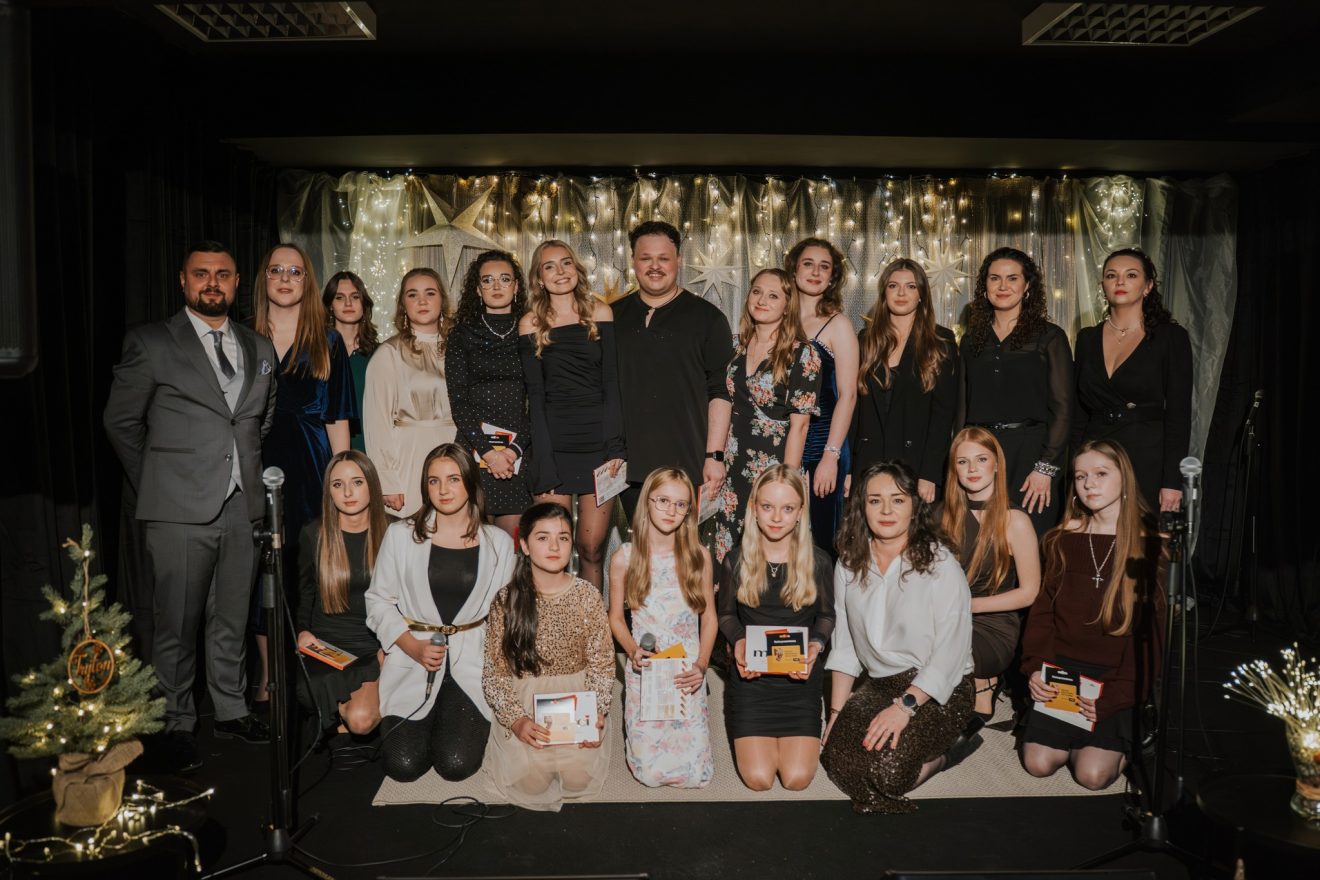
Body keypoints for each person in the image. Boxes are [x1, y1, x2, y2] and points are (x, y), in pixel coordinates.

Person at [103, 240, 275, 772]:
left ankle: (231, 709)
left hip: (242, 505)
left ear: (237, 282)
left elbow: (259, 421)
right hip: (176, 508)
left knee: (232, 615)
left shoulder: (259, 347)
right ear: (183, 280)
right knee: (176, 622)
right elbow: (120, 422)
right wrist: (159, 481)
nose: (212, 283)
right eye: (201, 273)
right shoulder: (152, 341)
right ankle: (176, 721)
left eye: (222, 274)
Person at [821, 461, 975, 814]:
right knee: (836, 759)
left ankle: (951, 751)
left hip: (938, 688)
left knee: (888, 774)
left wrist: (904, 708)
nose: (887, 510)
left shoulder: (941, 564)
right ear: (862, 507)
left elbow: (951, 652)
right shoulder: (849, 561)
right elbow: (845, 645)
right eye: (875, 501)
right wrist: (836, 713)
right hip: (880, 683)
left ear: (914, 507)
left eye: (898, 499)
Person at [365, 443, 516, 782]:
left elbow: (505, 615)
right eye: (434, 481)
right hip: (413, 657)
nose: (443, 489)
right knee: (403, 765)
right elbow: (377, 600)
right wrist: (408, 645)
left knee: (455, 764)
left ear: (470, 483)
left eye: (453, 479)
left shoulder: (499, 543)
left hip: (473, 660)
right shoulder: (401, 535)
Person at [1020, 440, 1165, 791]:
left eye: (1101, 474)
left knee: (1092, 775)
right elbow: (1042, 615)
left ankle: (1130, 737)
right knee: (1038, 764)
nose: (1089, 484)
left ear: (1124, 479)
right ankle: (1075, 739)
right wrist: (1036, 667)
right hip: (1064, 674)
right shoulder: (1062, 539)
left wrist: (1115, 697)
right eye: (1081, 476)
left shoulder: (1151, 544)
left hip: (1116, 678)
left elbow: (1151, 639)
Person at [253, 242, 357, 706]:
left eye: (295, 271)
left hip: (313, 469)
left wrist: (344, 482)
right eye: (276, 270)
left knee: (310, 573)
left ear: (307, 281)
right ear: (264, 279)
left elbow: (337, 419)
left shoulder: (328, 341)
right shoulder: (243, 336)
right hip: (255, 467)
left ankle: (314, 680)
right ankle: (268, 680)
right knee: (261, 573)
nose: (285, 278)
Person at [481, 502, 615, 811]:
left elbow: (603, 663)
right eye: (543, 538)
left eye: (563, 538)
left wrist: (596, 712)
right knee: (531, 783)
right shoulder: (506, 600)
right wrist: (516, 720)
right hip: (527, 700)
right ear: (525, 546)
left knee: (578, 780)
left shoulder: (587, 595)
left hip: (576, 699)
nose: (554, 546)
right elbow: (494, 672)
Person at [718, 465, 834, 791]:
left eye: (788, 508)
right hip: (752, 681)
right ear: (754, 508)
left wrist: (815, 645)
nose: (777, 517)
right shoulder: (735, 560)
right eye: (768, 506)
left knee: (797, 779)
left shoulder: (819, 561)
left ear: (800, 513)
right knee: (759, 779)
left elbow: (827, 616)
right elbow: (726, 614)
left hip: (800, 681)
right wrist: (739, 641)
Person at [518, 239, 624, 589]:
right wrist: (542, 458)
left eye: (566, 263)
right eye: (549, 266)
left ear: (576, 270)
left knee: (591, 548)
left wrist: (616, 448)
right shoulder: (531, 323)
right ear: (539, 277)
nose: (560, 272)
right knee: (550, 551)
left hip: (598, 445)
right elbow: (534, 396)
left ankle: (592, 621)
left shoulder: (601, 313)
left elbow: (612, 385)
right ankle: (550, 621)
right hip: (554, 445)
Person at [613, 221, 733, 523]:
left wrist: (714, 456)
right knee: (641, 548)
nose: (655, 266)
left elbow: (720, 392)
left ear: (678, 260)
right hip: (628, 467)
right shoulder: (612, 316)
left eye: (663, 258)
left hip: (688, 463)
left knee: (683, 550)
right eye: (646, 258)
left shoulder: (708, 319)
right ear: (633, 261)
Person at [607, 467, 716, 788]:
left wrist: (702, 664)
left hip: (687, 669)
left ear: (689, 511)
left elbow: (709, 618)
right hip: (647, 668)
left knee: (697, 775)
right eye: (663, 501)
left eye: (681, 504)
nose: (671, 511)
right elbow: (615, 617)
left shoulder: (699, 557)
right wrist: (632, 651)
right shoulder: (625, 557)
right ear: (647, 502)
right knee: (650, 775)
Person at [960, 247, 1072, 537]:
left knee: (1030, 539)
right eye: (995, 278)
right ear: (984, 286)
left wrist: (1046, 467)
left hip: (1031, 453)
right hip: (982, 453)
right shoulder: (971, 340)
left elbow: (1063, 408)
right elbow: (962, 406)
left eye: (1012, 278)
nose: (1003, 286)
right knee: (981, 542)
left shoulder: (1050, 337)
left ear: (1027, 286)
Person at [1071, 248, 1193, 513]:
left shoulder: (1170, 337)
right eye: (1111, 275)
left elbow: (1179, 415)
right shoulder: (1086, 339)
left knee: (1138, 536)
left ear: (1148, 286)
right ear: (1103, 286)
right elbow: (1078, 413)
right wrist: (1074, 467)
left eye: (1131, 275)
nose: (1120, 281)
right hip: (1095, 458)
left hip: (1145, 456)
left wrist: (1172, 481)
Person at [714, 269, 822, 562]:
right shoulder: (735, 347)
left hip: (775, 464)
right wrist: (716, 458)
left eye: (773, 295)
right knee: (732, 551)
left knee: (773, 552)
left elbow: (800, 427)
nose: (762, 300)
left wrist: (786, 482)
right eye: (757, 292)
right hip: (734, 465)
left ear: (787, 306)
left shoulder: (802, 354)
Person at [940, 427, 1041, 722]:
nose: (972, 468)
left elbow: (1030, 592)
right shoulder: (941, 515)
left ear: (997, 464)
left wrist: (969, 606)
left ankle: (985, 683)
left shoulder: (1015, 520)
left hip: (991, 623)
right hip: (945, 615)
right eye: (963, 461)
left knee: (941, 653)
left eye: (981, 459)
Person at [850, 258, 959, 504]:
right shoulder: (866, 339)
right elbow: (855, 408)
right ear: (884, 293)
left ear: (921, 294)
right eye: (893, 286)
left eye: (911, 286)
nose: (901, 293)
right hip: (868, 461)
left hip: (916, 464)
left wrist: (930, 473)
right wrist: (847, 468)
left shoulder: (940, 341)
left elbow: (943, 415)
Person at [296, 451, 389, 736]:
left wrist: (394, 646)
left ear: (372, 484)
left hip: (375, 645)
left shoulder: (394, 531)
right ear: (329, 491)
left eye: (357, 482)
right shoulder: (314, 533)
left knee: (360, 720)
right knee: (345, 715)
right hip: (327, 647)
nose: (348, 492)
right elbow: (305, 592)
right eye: (338, 485)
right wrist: (302, 632)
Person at [446, 250, 534, 538]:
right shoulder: (461, 334)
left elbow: (540, 401)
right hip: (474, 448)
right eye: (488, 280)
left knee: (514, 551)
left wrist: (512, 451)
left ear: (516, 286)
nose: (496, 286)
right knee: (472, 547)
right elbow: (458, 402)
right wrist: (488, 453)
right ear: (477, 289)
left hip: (517, 453)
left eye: (505, 279)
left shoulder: (531, 331)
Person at [364, 267, 457, 519]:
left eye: (430, 293)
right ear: (403, 304)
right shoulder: (389, 353)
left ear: (442, 300)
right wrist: (387, 480)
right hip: (409, 459)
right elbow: (377, 422)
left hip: (455, 451)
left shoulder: (459, 349)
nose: (422, 301)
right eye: (413, 294)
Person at [786, 238, 857, 556]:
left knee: (821, 541)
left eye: (824, 267)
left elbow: (848, 395)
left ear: (832, 278)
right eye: (808, 264)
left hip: (822, 445)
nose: (815, 272)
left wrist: (831, 456)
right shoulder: (778, 318)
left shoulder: (838, 324)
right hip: (782, 442)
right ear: (794, 270)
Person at [323, 271, 380, 452]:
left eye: (355, 297)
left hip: (370, 448)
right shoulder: (316, 353)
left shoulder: (380, 355)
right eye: (339, 297)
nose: (348, 303)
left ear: (364, 303)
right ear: (330, 306)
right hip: (324, 450)